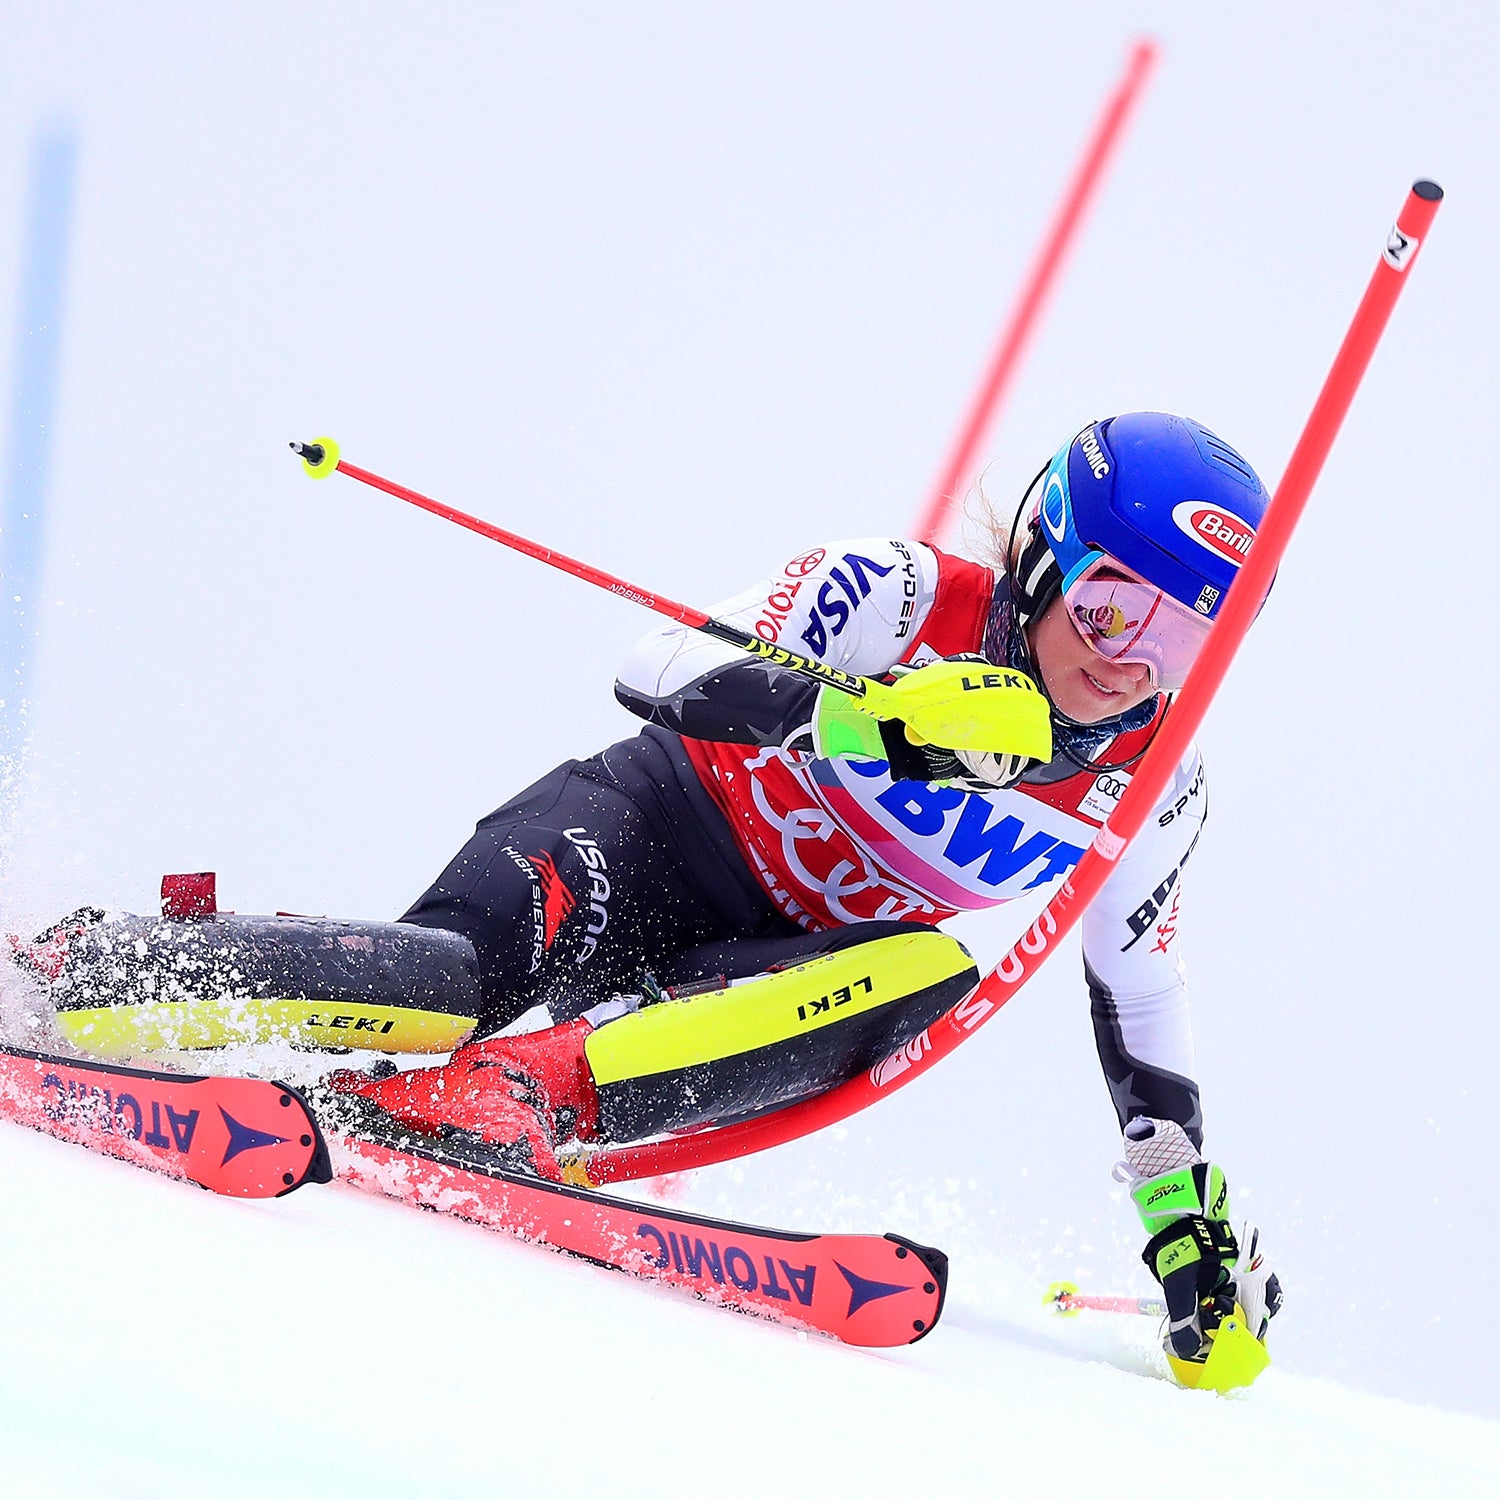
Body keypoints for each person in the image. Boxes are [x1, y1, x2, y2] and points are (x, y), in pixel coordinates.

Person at [13, 411, 1282, 1375]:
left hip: (781, 972)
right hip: (648, 830)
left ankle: (503, 1102)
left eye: (1185, 636)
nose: (1131, 665)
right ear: (1048, 554)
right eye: (1115, 607)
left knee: (930, 972)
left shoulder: (1155, 788)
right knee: (440, 985)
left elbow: (1139, 993)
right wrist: (873, 719)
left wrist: (1180, 1221)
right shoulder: (901, 594)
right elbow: (658, 659)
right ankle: (80, 975)